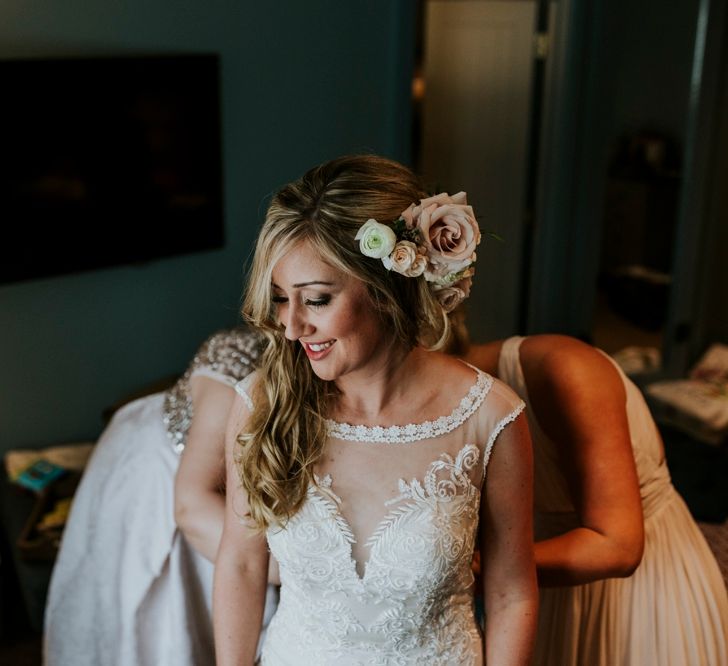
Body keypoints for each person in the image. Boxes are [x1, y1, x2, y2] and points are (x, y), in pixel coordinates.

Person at [213, 155, 539, 665]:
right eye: (281, 299)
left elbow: (511, 593)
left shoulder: (488, 417)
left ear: (385, 290)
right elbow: (241, 565)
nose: (292, 327)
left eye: (316, 300)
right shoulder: (262, 403)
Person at [462, 333, 728, 666]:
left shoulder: (568, 369)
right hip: (544, 590)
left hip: (639, 596)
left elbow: (617, 547)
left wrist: (470, 568)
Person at [44, 327, 278, 666]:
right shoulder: (240, 358)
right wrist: (304, 568)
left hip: (231, 491)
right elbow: (191, 507)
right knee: (154, 623)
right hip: (160, 471)